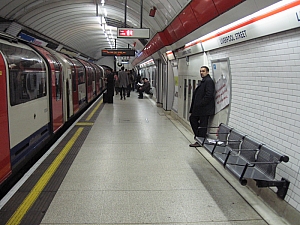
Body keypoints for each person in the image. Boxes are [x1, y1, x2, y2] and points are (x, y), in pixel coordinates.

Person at [189, 66, 215, 147]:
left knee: (202, 125)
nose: (201, 73)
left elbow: (209, 95)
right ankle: (199, 137)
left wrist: (200, 103)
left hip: (204, 109)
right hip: (199, 109)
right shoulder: (203, 81)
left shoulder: (209, 81)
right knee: (193, 119)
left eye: (203, 71)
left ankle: (200, 140)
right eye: (200, 71)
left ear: (207, 72)